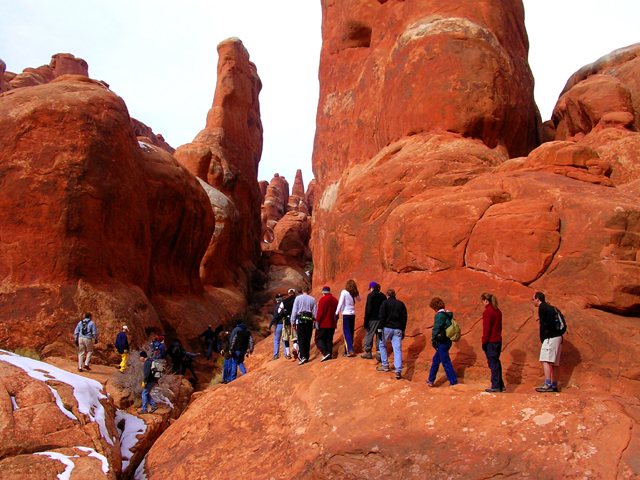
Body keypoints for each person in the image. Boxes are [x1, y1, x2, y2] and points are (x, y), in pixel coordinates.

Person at [532, 292, 563, 393]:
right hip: (558, 337)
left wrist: (546, 332)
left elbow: (546, 323)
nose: (533, 302)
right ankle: (554, 385)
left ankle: (547, 384)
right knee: (555, 363)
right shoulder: (550, 307)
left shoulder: (543, 308)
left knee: (545, 360)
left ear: (537, 299)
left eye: (533, 300)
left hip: (551, 337)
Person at [376, 289, 407, 380]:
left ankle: (385, 365)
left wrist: (380, 329)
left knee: (382, 345)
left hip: (387, 328)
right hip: (398, 329)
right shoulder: (401, 304)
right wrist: (403, 329)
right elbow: (404, 318)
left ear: (387, 295)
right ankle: (398, 370)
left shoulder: (385, 303)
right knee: (397, 349)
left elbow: (382, 316)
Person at [426, 297, 458, 387]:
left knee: (445, 362)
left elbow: (436, 328)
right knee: (436, 360)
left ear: (435, 307)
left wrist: (433, 340)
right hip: (447, 340)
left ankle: (453, 381)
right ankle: (431, 379)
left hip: (442, 341)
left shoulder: (439, 316)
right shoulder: (448, 314)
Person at [481, 293, 505, 393]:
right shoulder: (498, 311)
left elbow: (487, 329)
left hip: (491, 341)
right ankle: (500, 385)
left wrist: (484, 341)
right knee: (496, 362)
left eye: (482, 301)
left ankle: (496, 386)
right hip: (498, 340)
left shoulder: (488, 312)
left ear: (486, 301)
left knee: (493, 363)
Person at [291, 285, 317, 365]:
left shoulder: (298, 298)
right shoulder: (312, 299)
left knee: (301, 339)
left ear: (302, 291)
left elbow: (294, 310)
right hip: (309, 321)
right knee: (308, 339)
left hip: (300, 321)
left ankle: (303, 357)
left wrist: (292, 321)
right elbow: (315, 312)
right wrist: (316, 321)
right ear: (308, 291)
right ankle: (306, 356)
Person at [336, 279, 361, 357]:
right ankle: (347, 351)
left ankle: (350, 349)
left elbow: (340, 303)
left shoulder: (344, 292)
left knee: (346, 332)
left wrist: (336, 313)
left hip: (345, 314)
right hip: (352, 314)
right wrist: (356, 294)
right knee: (351, 332)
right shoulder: (354, 294)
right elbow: (360, 300)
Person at [362, 282, 386, 360]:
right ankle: (379, 353)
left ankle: (368, 352)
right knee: (379, 336)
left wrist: (366, 321)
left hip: (372, 319)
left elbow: (368, 309)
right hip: (381, 319)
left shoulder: (371, 296)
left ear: (372, 288)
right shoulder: (383, 296)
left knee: (369, 335)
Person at [315, 286, 339, 362]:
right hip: (332, 323)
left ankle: (325, 353)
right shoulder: (335, 300)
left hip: (324, 323)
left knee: (319, 339)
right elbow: (337, 312)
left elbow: (320, 312)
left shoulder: (323, 300)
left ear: (323, 293)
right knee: (329, 339)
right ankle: (329, 354)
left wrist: (317, 321)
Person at [278, 289, 298, 359]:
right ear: (294, 294)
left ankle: (288, 354)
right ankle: (295, 349)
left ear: (288, 294)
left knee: (286, 337)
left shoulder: (284, 301)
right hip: (294, 321)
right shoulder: (296, 300)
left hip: (286, 321)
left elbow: (279, 311)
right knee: (295, 337)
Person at [268, 294, 285, 361]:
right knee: (284, 339)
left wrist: (271, 324)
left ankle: (276, 354)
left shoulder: (277, 306)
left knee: (276, 340)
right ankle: (286, 353)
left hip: (278, 324)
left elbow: (275, 316)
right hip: (284, 323)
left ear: (276, 300)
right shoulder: (284, 305)